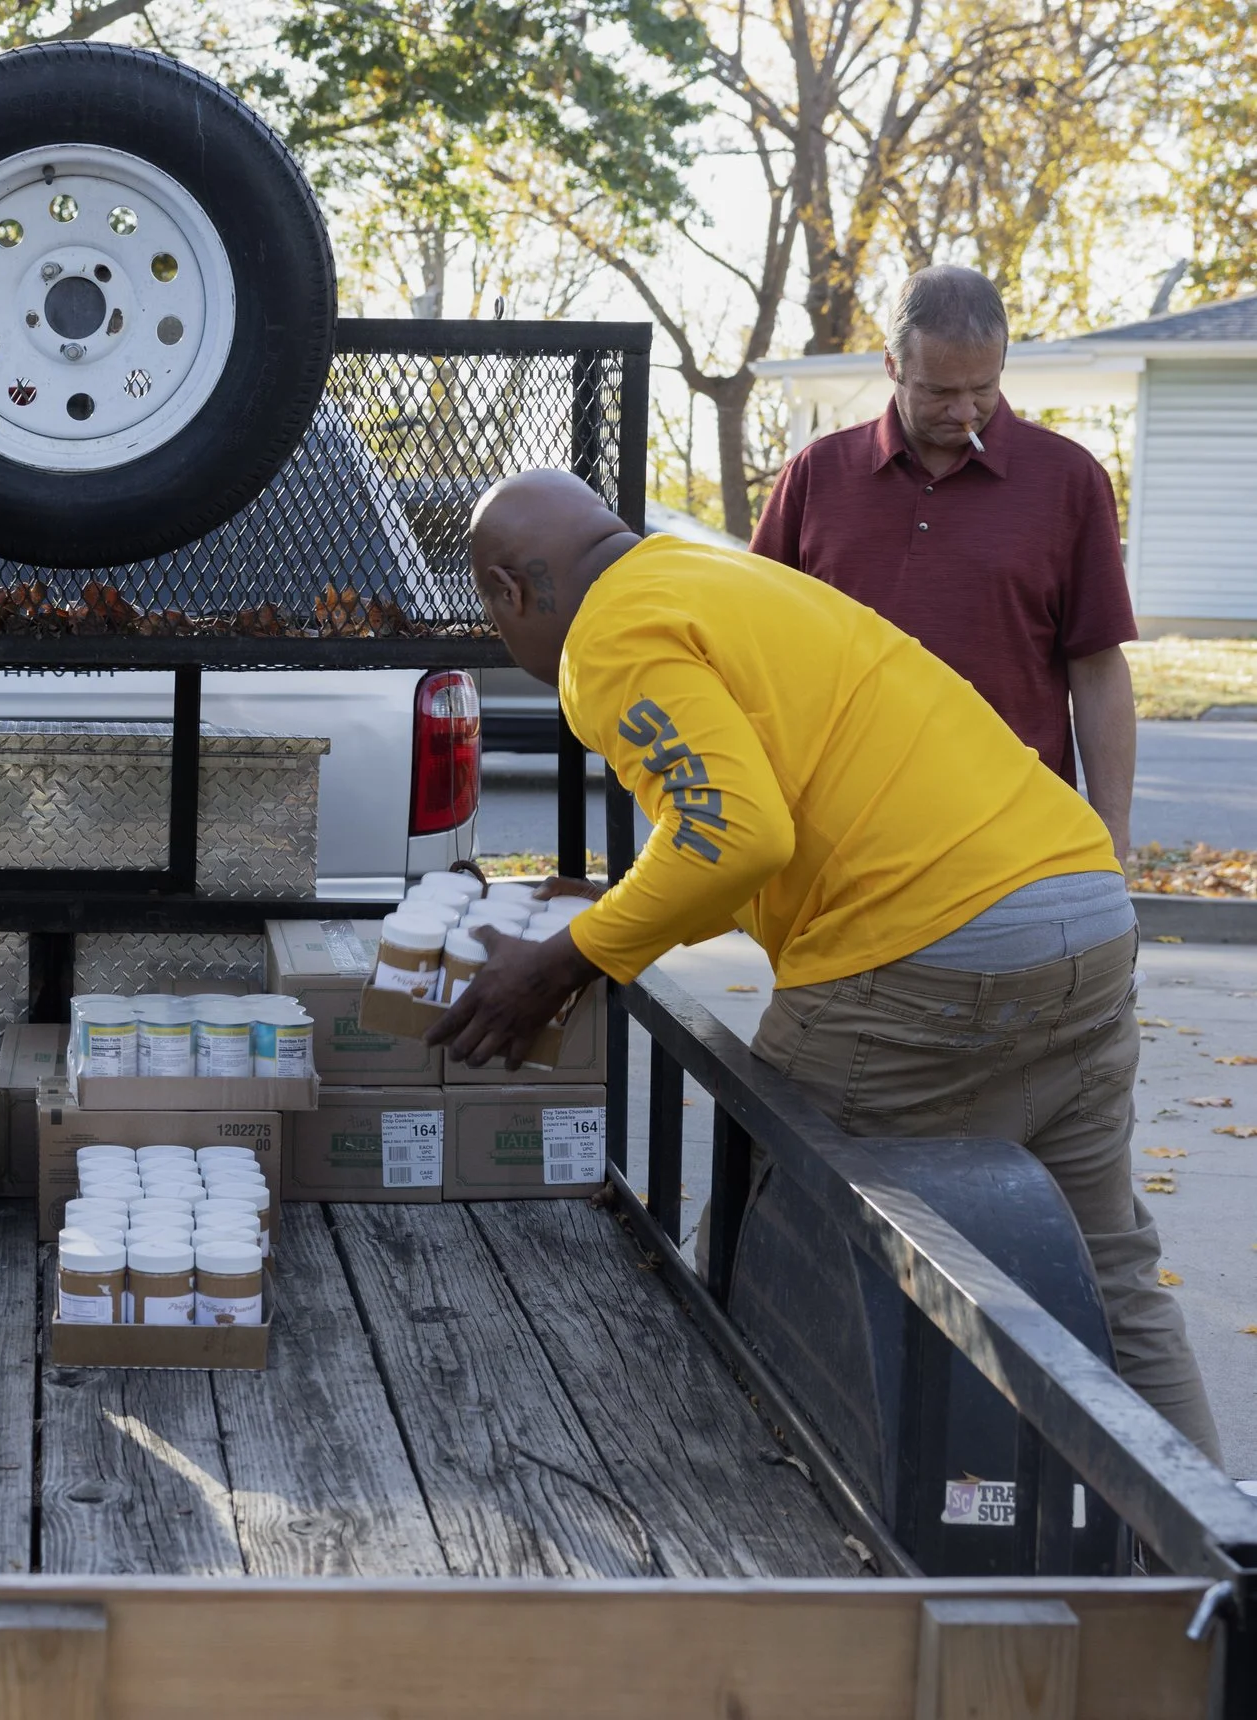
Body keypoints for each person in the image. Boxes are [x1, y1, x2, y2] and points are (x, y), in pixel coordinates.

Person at [434, 468, 1220, 1464]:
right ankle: (1214, 1561)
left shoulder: (607, 641)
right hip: (1081, 907)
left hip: (925, 951)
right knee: (1111, 1273)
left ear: (510, 589)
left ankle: (694, 1508)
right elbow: (753, 814)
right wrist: (618, 908)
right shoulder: (706, 576)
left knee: (763, 1238)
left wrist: (564, 961)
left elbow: (733, 836)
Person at [751, 265, 1137, 859]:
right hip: (841, 830)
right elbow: (757, 649)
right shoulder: (817, 475)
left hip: (1011, 833)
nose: (965, 411)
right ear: (892, 366)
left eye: (983, 388)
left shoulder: (1069, 480)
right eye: (938, 391)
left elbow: (1097, 667)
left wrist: (1112, 830)